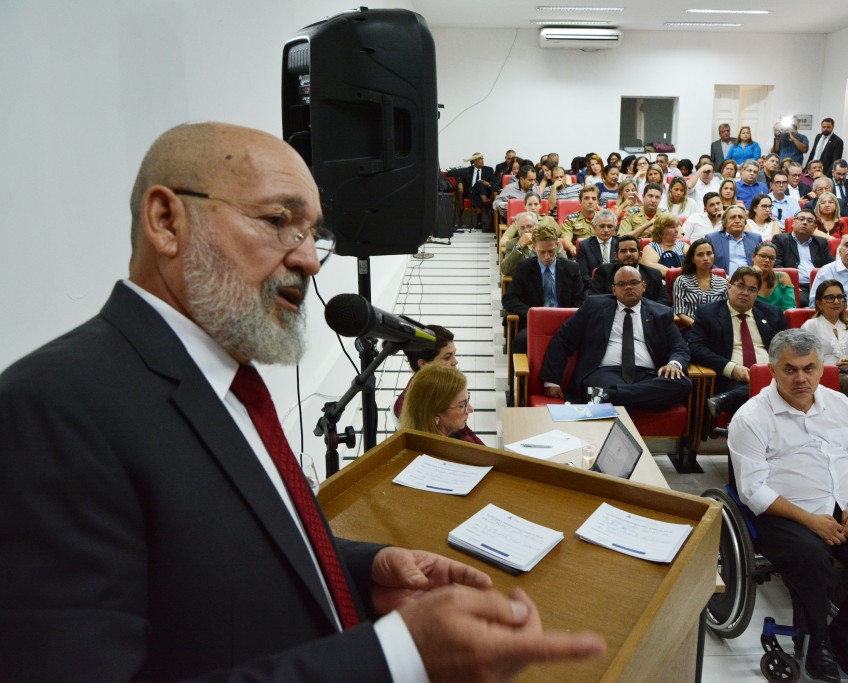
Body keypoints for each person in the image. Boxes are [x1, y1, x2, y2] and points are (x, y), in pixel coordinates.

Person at [0, 122, 606, 682]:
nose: (310, 259)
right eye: (277, 221)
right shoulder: (50, 411)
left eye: (314, 232)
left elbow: (228, 554)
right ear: (166, 221)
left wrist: (365, 572)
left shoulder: (224, 377)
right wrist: (395, 656)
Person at [730, 330, 848, 683]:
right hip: (786, 513)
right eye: (790, 370)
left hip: (846, 507)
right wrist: (811, 521)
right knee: (813, 561)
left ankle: (846, 641)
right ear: (773, 370)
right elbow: (752, 490)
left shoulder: (840, 404)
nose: (801, 378)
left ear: (821, 367)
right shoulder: (751, 417)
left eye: (809, 368)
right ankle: (818, 644)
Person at [541, 266, 692, 410]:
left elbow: (679, 346)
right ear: (614, 289)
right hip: (605, 373)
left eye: (634, 283)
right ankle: (635, 398)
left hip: (648, 375)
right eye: (622, 284)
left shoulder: (661, 313)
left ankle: (609, 397)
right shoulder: (594, 306)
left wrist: (674, 364)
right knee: (601, 386)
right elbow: (563, 339)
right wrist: (551, 381)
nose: (628, 287)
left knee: (683, 384)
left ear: (643, 286)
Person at [691, 267, 787, 426]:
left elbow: (787, 348)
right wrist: (731, 368)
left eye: (752, 289)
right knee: (762, 395)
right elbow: (696, 348)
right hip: (730, 379)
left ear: (757, 294)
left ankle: (726, 400)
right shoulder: (709, 313)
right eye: (740, 286)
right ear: (729, 286)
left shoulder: (773, 314)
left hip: (771, 375)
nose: (745, 293)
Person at [502, 223, 586, 353]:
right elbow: (509, 298)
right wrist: (531, 313)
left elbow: (580, 300)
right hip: (535, 322)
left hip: (564, 321)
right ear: (534, 248)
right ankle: (520, 373)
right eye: (542, 252)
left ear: (557, 246)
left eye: (551, 251)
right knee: (520, 341)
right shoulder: (524, 268)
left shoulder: (571, 268)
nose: (547, 257)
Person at [803, 279, 848, 397]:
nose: (836, 301)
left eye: (840, 297)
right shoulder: (811, 326)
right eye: (830, 298)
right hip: (824, 374)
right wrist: (834, 364)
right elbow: (805, 359)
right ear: (819, 303)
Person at [398, 364, 483, 445]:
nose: (471, 409)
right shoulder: (443, 455)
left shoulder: (455, 430)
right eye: (461, 406)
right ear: (436, 414)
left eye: (467, 401)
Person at [772, 210, 836, 306]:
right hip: (796, 285)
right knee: (803, 301)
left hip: (819, 285)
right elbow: (777, 265)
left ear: (814, 227)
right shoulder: (780, 240)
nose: (805, 222)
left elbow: (832, 265)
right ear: (793, 223)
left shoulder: (821, 242)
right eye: (801, 219)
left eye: (810, 221)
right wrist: (791, 284)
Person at [591, 235, 671, 306]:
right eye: (623, 251)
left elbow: (664, 301)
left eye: (632, 250)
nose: (628, 254)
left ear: (640, 255)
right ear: (616, 256)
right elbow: (594, 299)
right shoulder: (604, 272)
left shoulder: (653, 274)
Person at [673, 238, 729, 332]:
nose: (706, 258)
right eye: (700, 255)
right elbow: (679, 313)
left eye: (709, 253)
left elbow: (726, 312)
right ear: (693, 259)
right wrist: (701, 328)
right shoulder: (682, 281)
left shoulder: (723, 283)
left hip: (717, 330)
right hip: (690, 330)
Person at [500, 210, 567, 277]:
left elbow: (565, 265)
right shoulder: (512, 244)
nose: (526, 230)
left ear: (537, 226)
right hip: (526, 281)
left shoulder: (552, 241)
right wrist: (519, 247)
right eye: (522, 228)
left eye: (529, 226)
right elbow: (506, 271)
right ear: (518, 231)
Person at [708, 205, 762, 276]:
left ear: (745, 222)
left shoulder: (756, 239)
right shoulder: (712, 239)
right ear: (725, 222)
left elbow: (762, 261)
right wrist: (725, 278)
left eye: (740, 217)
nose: (737, 221)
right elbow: (709, 263)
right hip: (723, 281)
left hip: (751, 281)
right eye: (733, 217)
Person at [574, 208, 618, 291]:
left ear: (615, 227)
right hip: (593, 288)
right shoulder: (584, 245)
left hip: (618, 288)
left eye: (610, 226)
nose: (606, 230)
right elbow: (584, 275)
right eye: (602, 226)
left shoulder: (620, 244)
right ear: (594, 227)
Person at [752, 241, 796, 312]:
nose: (767, 260)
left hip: (779, 320)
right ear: (753, 257)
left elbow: (790, 308)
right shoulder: (744, 277)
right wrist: (752, 274)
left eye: (771, 258)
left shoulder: (783, 278)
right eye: (763, 256)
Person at [457, 152, 494, 227]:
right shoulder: (468, 170)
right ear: (474, 161)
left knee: (479, 185)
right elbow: (460, 178)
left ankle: (479, 221)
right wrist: (460, 183)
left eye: (482, 159)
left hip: (483, 192)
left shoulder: (489, 170)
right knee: (479, 183)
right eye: (480, 159)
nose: (482, 160)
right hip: (470, 191)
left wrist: (488, 183)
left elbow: (494, 182)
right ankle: (486, 205)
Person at [560, 184, 600, 253]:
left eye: (594, 199)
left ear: (597, 202)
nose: (590, 201)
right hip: (579, 253)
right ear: (580, 201)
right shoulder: (571, 219)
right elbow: (566, 239)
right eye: (586, 198)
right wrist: (572, 248)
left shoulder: (603, 219)